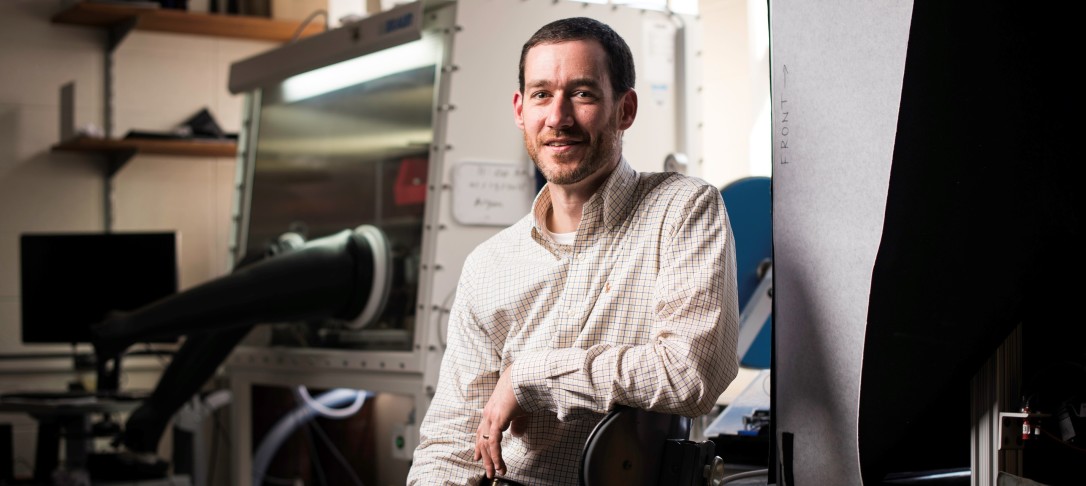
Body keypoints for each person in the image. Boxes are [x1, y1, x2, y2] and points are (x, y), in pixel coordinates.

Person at [407, 16, 739, 485]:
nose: (558, 118)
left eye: (582, 94)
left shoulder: (683, 210)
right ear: (520, 109)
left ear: (625, 109)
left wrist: (531, 377)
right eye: (542, 94)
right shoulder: (489, 264)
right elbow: (451, 439)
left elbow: (690, 374)